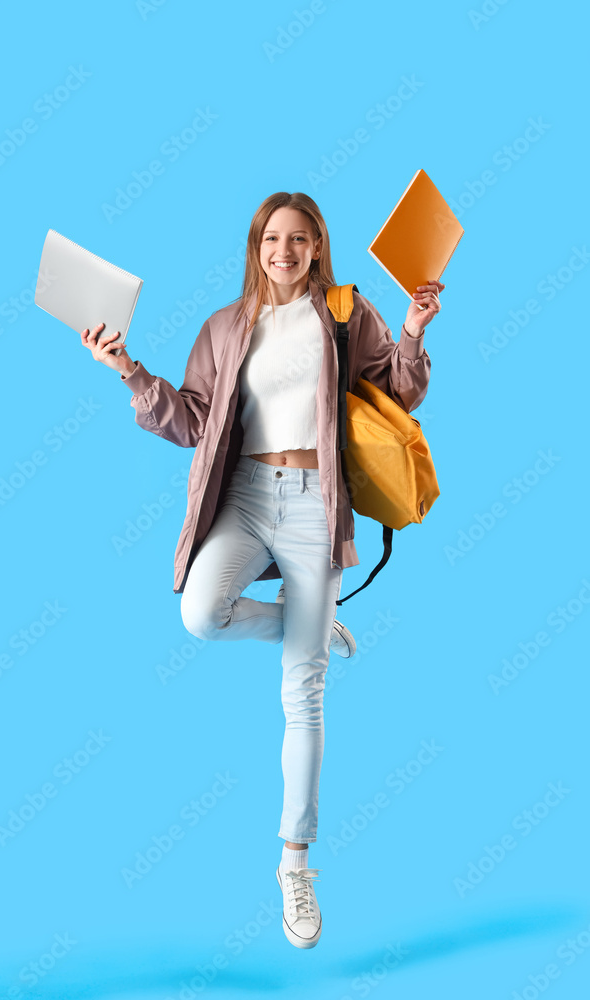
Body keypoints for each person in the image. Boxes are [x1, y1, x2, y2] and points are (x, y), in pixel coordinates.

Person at [81, 191, 442, 949]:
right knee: (200, 612)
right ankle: (308, 629)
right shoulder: (224, 327)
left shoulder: (345, 313)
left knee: (301, 694)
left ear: (317, 247)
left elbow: (399, 390)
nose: (284, 250)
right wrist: (125, 370)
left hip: (316, 500)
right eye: (272, 238)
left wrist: (409, 331)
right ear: (255, 246)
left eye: (299, 239)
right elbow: (188, 419)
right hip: (244, 494)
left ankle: (295, 864)